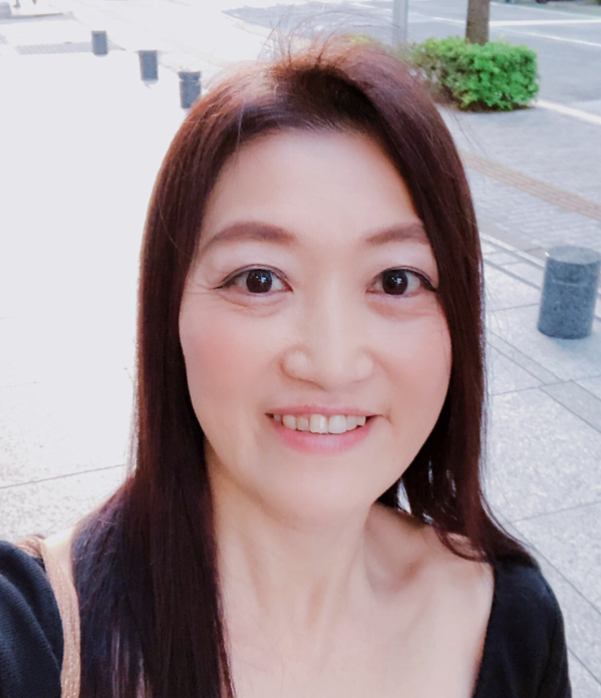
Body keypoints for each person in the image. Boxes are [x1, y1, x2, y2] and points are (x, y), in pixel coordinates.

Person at [0, 37, 570, 698]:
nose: (331, 363)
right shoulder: (31, 641)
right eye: (260, 279)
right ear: (170, 312)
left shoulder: (512, 619)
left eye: (395, 280)